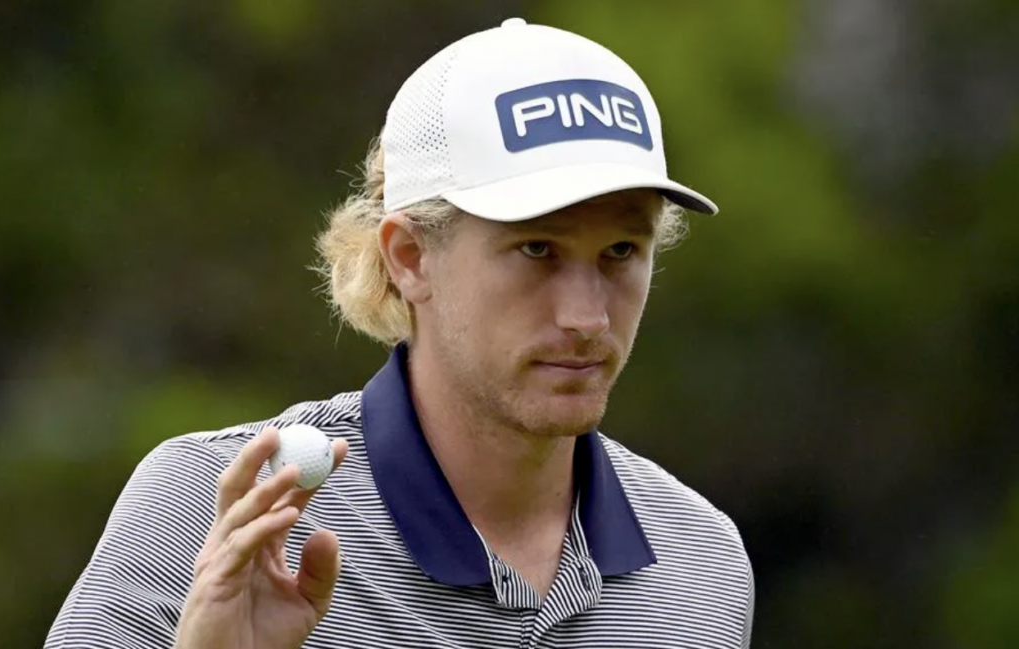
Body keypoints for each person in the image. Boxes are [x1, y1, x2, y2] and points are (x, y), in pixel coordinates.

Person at [46, 17, 754, 649]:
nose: (588, 317)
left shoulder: (703, 567)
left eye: (621, 251)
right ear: (410, 258)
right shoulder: (216, 510)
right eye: (537, 249)